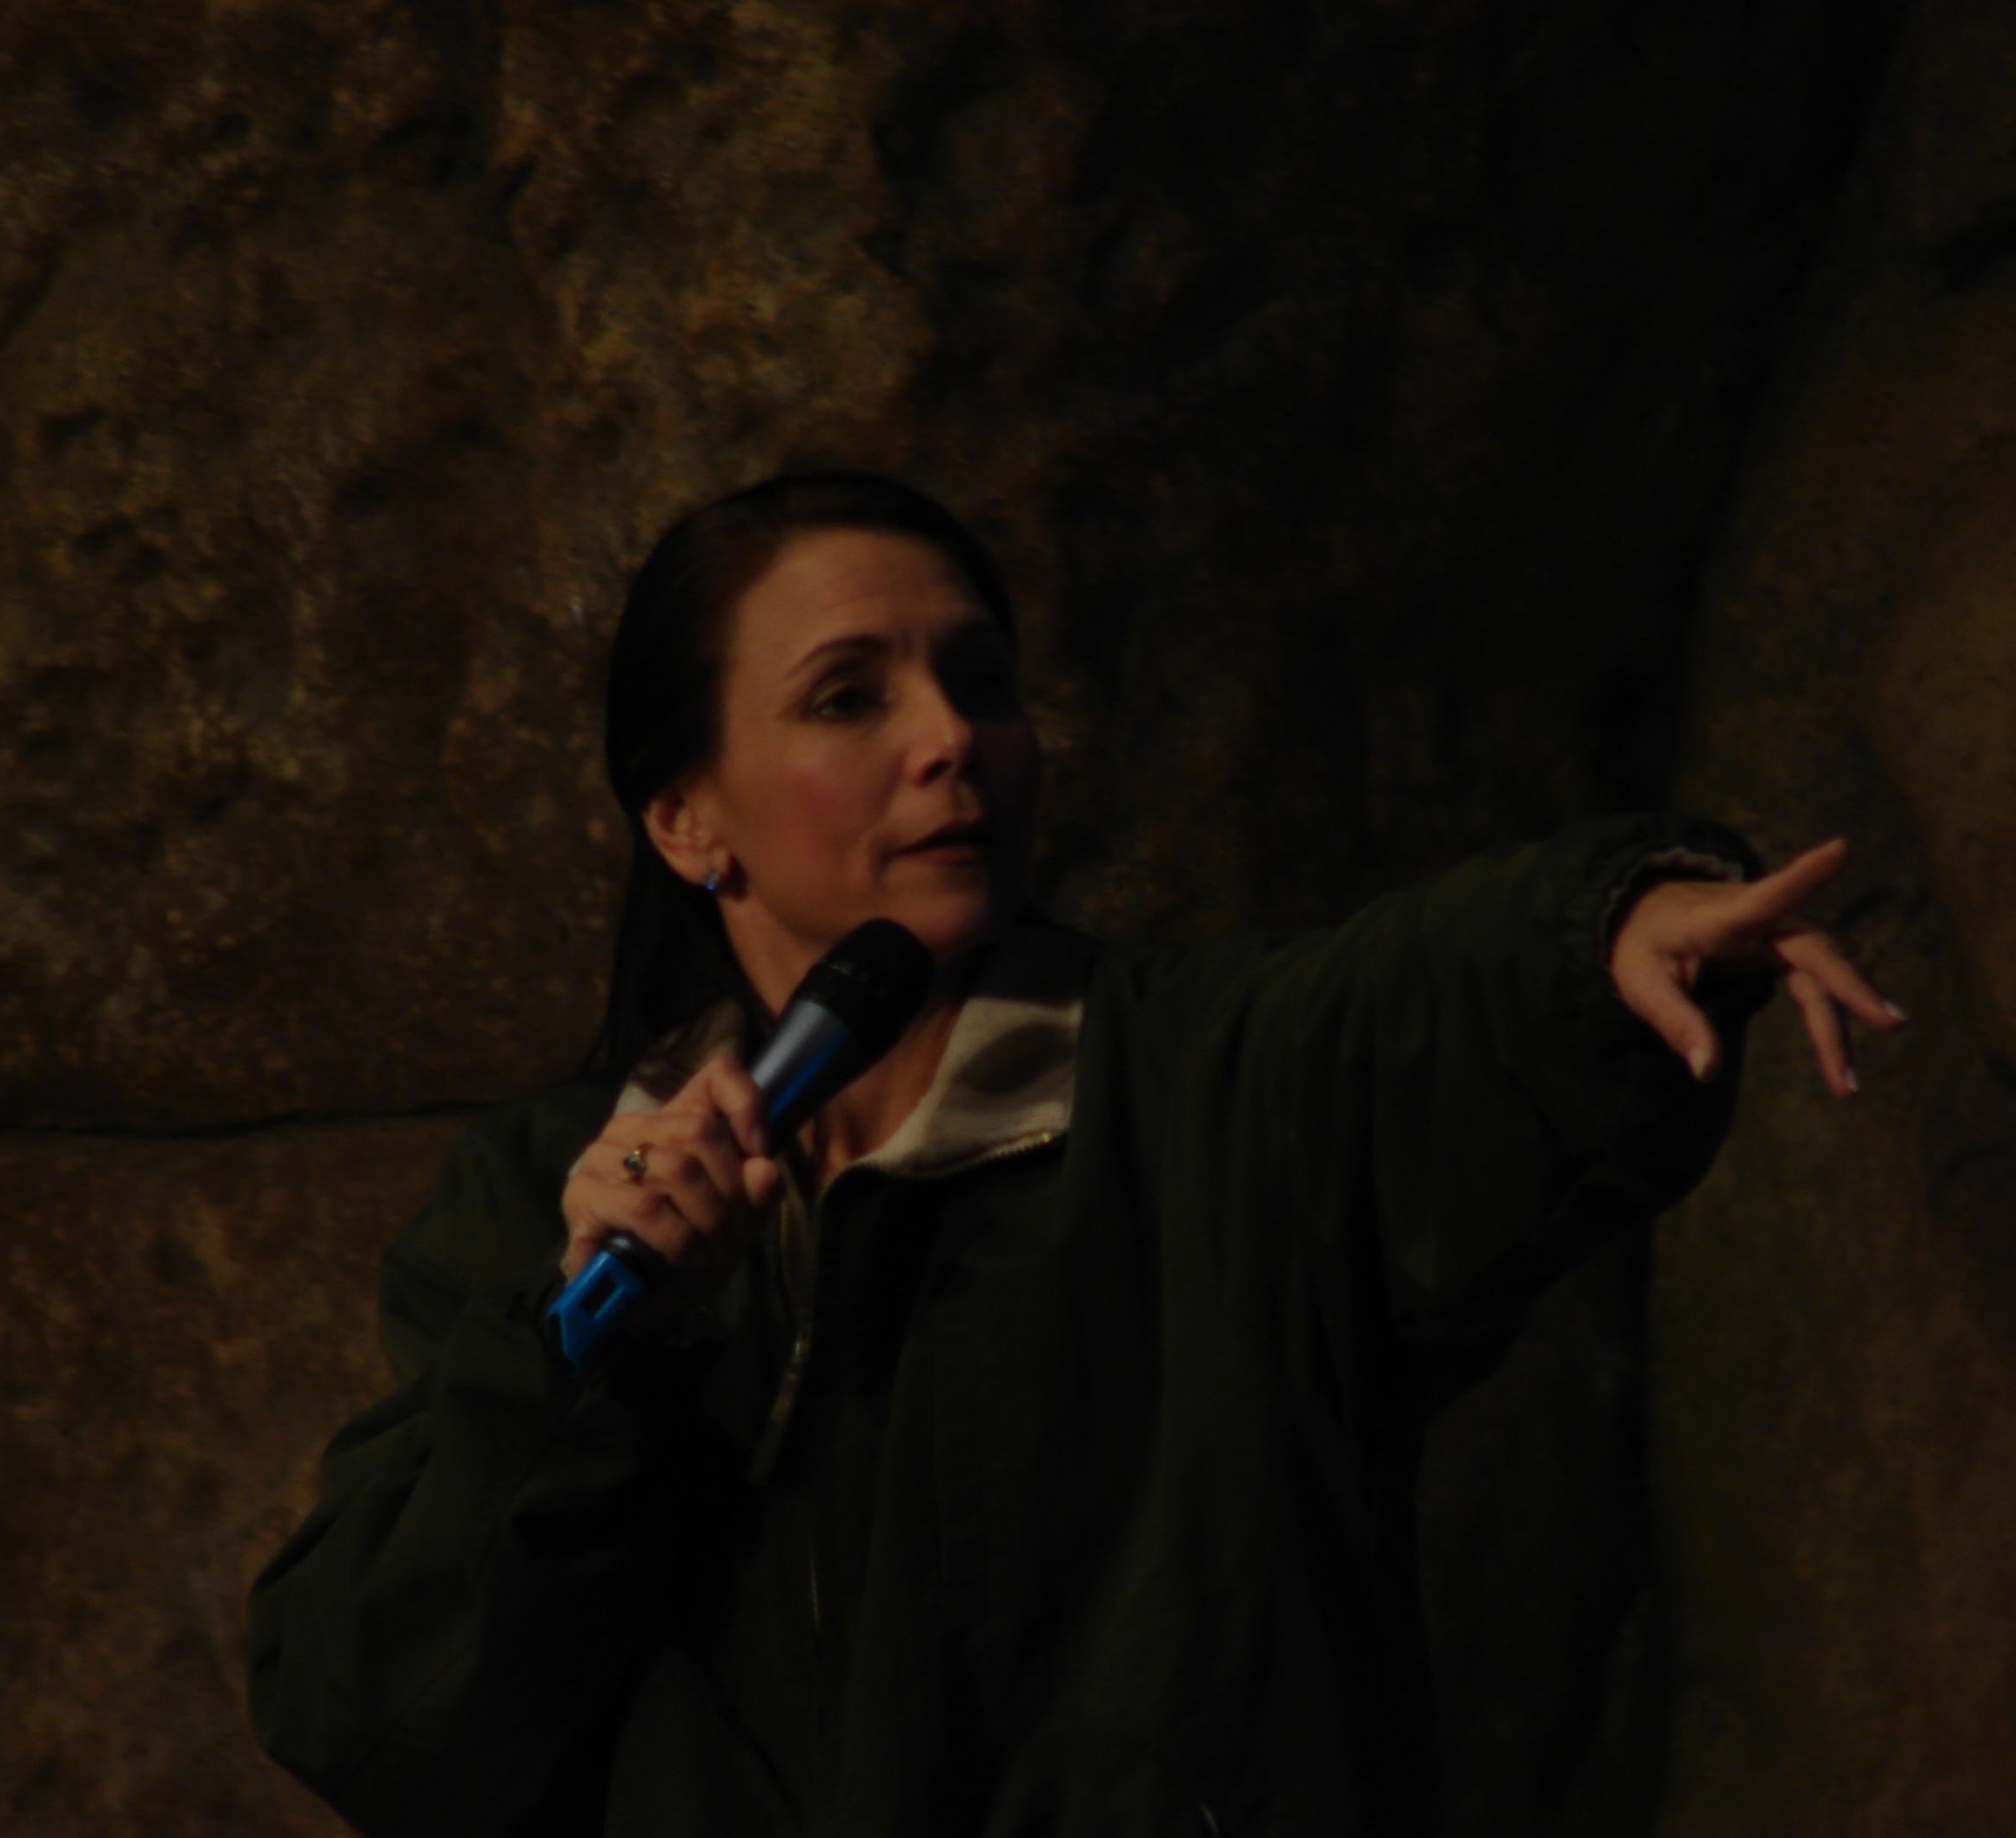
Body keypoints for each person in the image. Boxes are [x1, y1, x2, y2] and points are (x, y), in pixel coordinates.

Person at [247, 471, 1899, 1837]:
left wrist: (1615, 927)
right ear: (688, 819)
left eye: (981, 682)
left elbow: (1426, 1005)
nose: (950, 737)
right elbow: (374, 1716)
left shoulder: (1203, 1092)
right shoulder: (547, 1193)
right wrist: (577, 1349)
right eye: (850, 697)